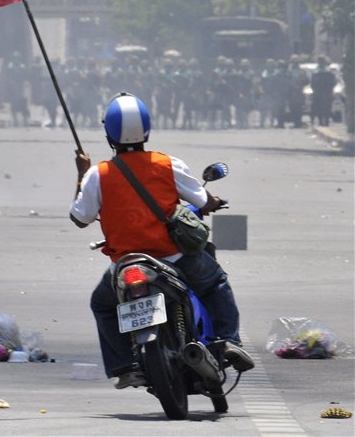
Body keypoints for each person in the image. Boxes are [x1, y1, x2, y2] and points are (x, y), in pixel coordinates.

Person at [69, 93, 253, 389]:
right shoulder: (168, 164)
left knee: (102, 304)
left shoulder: (97, 174)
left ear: (109, 134)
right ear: (147, 130)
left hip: (126, 264)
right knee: (216, 283)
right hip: (174, 258)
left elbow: (80, 218)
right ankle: (228, 341)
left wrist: (81, 176)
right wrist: (213, 201)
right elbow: (202, 199)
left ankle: (125, 366)